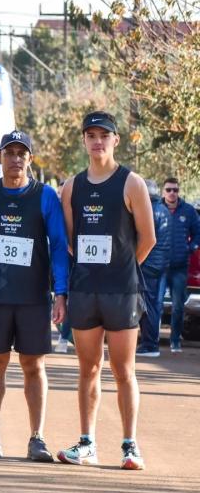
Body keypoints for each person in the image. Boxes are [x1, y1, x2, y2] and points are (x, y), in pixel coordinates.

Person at [0, 130, 69, 462]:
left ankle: (37, 438)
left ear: (30, 160)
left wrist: (61, 292)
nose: (16, 158)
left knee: (33, 366)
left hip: (33, 296)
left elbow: (60, 248)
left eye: (22, 153)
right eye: (10, 152)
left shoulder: (45, 196)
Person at [57, 111, 155, 471]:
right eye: (91, 135)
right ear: (84, 140)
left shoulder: (132, 183)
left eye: (104, 135)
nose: (97, 141)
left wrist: (123, 271)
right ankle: (87, 443)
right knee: (88, 369)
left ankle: (130, 446)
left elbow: (148, 239)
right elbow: (70, 241)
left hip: (122, 293)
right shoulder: (72, 186)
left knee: (123, 370)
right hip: (85, 291)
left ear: (116, 140)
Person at [158, 177, 200, 353]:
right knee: (156, 304)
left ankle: (175, 341)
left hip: (180, 268)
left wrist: (191, 248)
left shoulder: (189, 211)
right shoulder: (156, 209)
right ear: (163, 191)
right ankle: (152, 341)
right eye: (168, 190)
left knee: (177, 307)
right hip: (159, 267)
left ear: (179, 191)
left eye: (175, 190)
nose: (172, 193)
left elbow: (198, 233)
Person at [135, 182, 171, 358]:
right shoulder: (164, 210)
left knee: (148, 305)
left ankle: (149, 345)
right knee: (155, 304)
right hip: (161, 264)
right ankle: (150, 343)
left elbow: (144, 239)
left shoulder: (149, 210)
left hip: (148, 264)